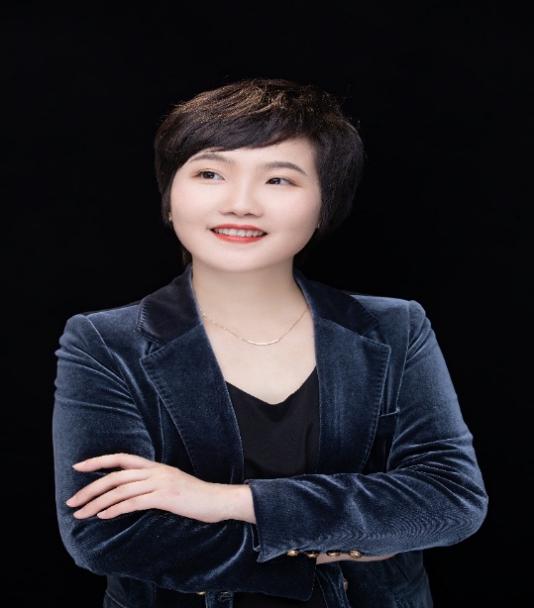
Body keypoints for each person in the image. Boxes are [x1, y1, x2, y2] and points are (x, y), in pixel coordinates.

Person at [52, 77, 489, 608]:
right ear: (169, 198)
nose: (240, 204)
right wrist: (338, 547)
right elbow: (107, 535)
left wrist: (226, 501)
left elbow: (450, 500)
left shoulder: (396, 327)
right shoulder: (103, 342)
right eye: (210, 173)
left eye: (279, 180)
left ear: (324, 205)